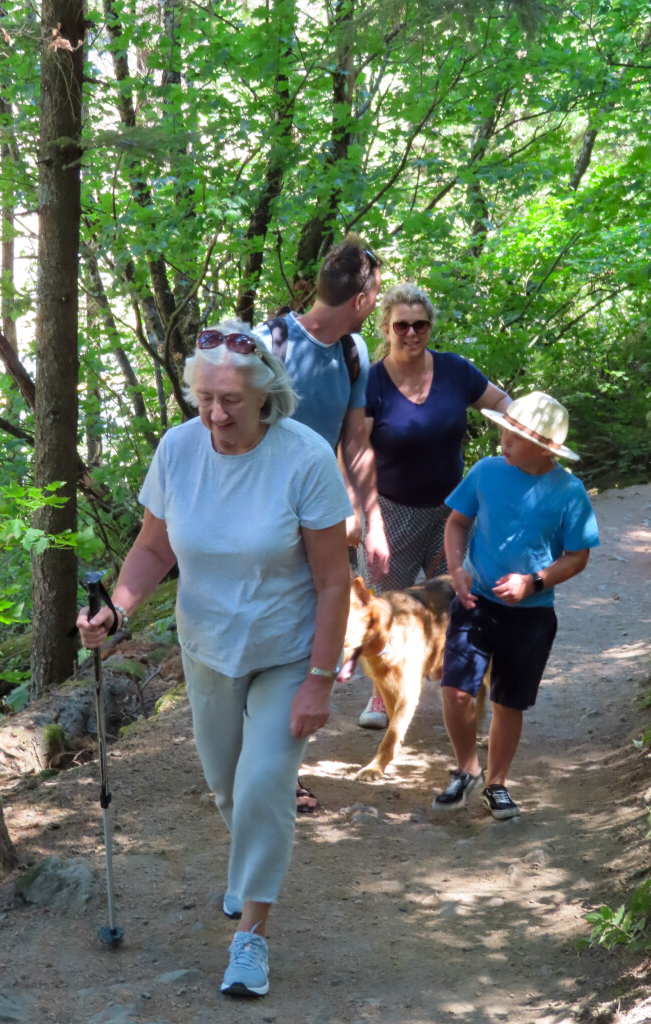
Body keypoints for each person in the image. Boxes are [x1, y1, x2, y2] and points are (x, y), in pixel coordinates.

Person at [76, 322, 352, 998]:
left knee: (262, 784)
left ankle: (251, 936)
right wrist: (118, 609)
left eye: (230, 400)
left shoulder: (305, 458)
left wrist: (320, 680)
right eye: (204, 398)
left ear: (266, 396)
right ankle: (248, 865)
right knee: (229, 789)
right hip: (207, 648)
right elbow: (152, 549)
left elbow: (332, 580)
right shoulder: (177, 450)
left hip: (285, 652)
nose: (216, 415)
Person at [256, 236, 391, 806]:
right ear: (361, 298)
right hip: (258, 522)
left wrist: (374, 519)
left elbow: (355, 443)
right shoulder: (269, 343)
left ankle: (278, 771)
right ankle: (255, 765)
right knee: (262, 638)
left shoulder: (354, 351)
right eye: (376, 293)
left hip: (317, 523)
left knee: (305, 642)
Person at [432, 391, 600, 820]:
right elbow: (457, 522)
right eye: (503, 429)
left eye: (515, 434)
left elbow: (578, 556)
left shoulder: (569, 491)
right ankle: (466, 768)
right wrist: (456, 569)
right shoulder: (486, 472)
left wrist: (534, 581)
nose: (503, 438)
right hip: (475, 603)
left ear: (545, 447)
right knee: (455, 693)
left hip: (531, 617)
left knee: (508, 703)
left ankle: (496, 784)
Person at [355, 283, 511, 729]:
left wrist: (522, 439)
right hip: (391, 509)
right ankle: (383, 697)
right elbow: (358, 450)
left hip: (452, 510)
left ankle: (459, 689)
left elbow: (501, 403)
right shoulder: (371, 381)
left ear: (429, 326)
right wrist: (371, 520)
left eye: (419, 324)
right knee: (388, 606)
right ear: (385, 328)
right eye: (401, 325)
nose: (411, 332)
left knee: (459, 600)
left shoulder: (455, 371)